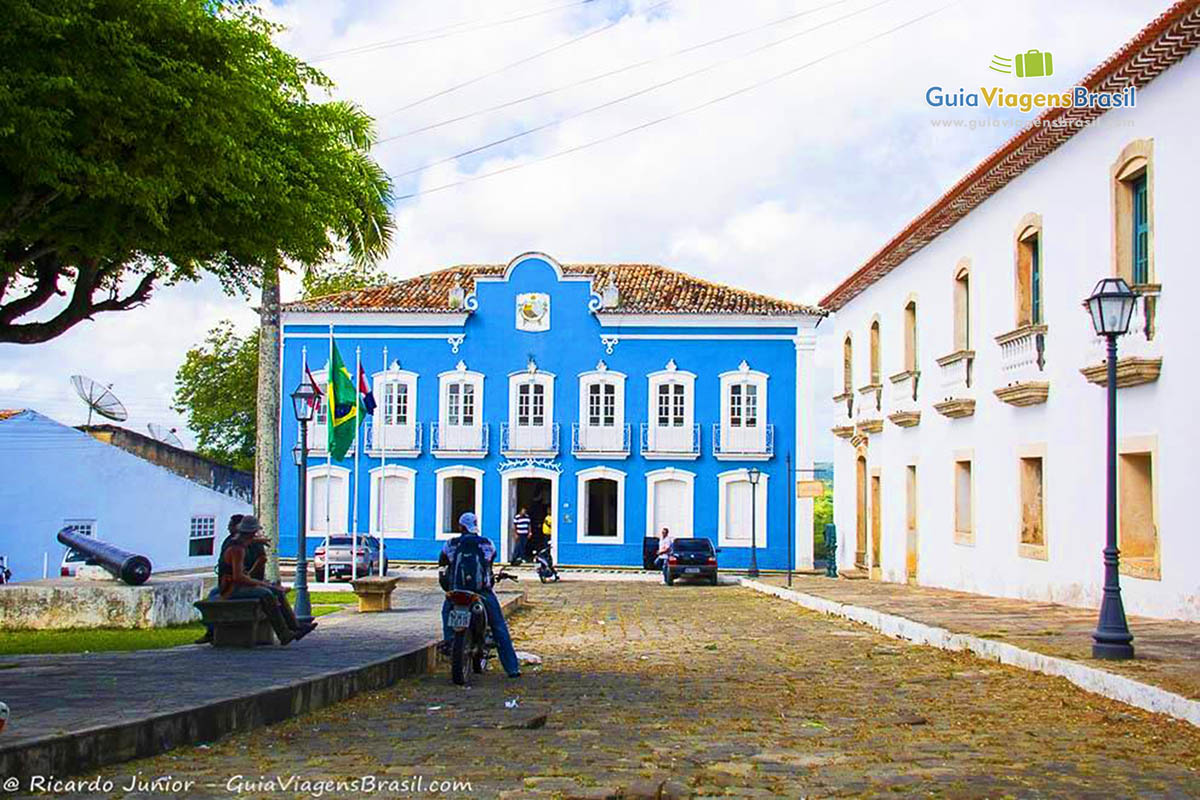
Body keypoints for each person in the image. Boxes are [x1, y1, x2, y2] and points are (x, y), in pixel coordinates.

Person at [201, 515, 316, 645]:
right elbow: (239, 577)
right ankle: (284, 633)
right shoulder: (237, 550)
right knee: (266, 592)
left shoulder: (239, 542)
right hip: (230, 589)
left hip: (235, 585)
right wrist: (263, 584)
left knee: (275, 591)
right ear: (250, 533)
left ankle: (295, 626)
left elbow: (250, 542)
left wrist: (259, 541)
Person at [439, 511, 521, 678]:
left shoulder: (450, 544)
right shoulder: (487, 544)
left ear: (460, 526)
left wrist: (448, 587)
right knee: (499, 627)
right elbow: (489, 563)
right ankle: (512, 668)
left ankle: (449, 642)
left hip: (457, 591)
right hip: (481, 591)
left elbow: (442, 564)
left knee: (446, 611)